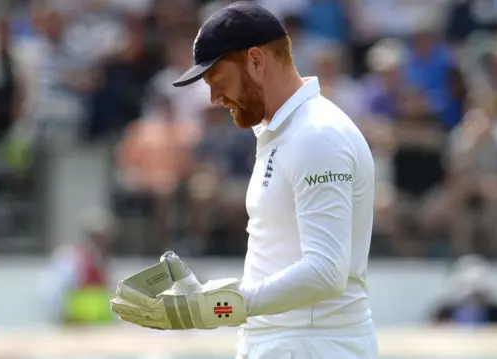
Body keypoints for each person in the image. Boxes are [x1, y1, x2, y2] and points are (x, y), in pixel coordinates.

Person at [110, 2, 377, 359]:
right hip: (284, 343)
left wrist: (219, 305)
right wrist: (211, 298)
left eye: (217, 79)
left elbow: (327, 271)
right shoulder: (284, 130)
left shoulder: (316, 136)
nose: (214, 97)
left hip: (314, 347)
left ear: (255, 60)